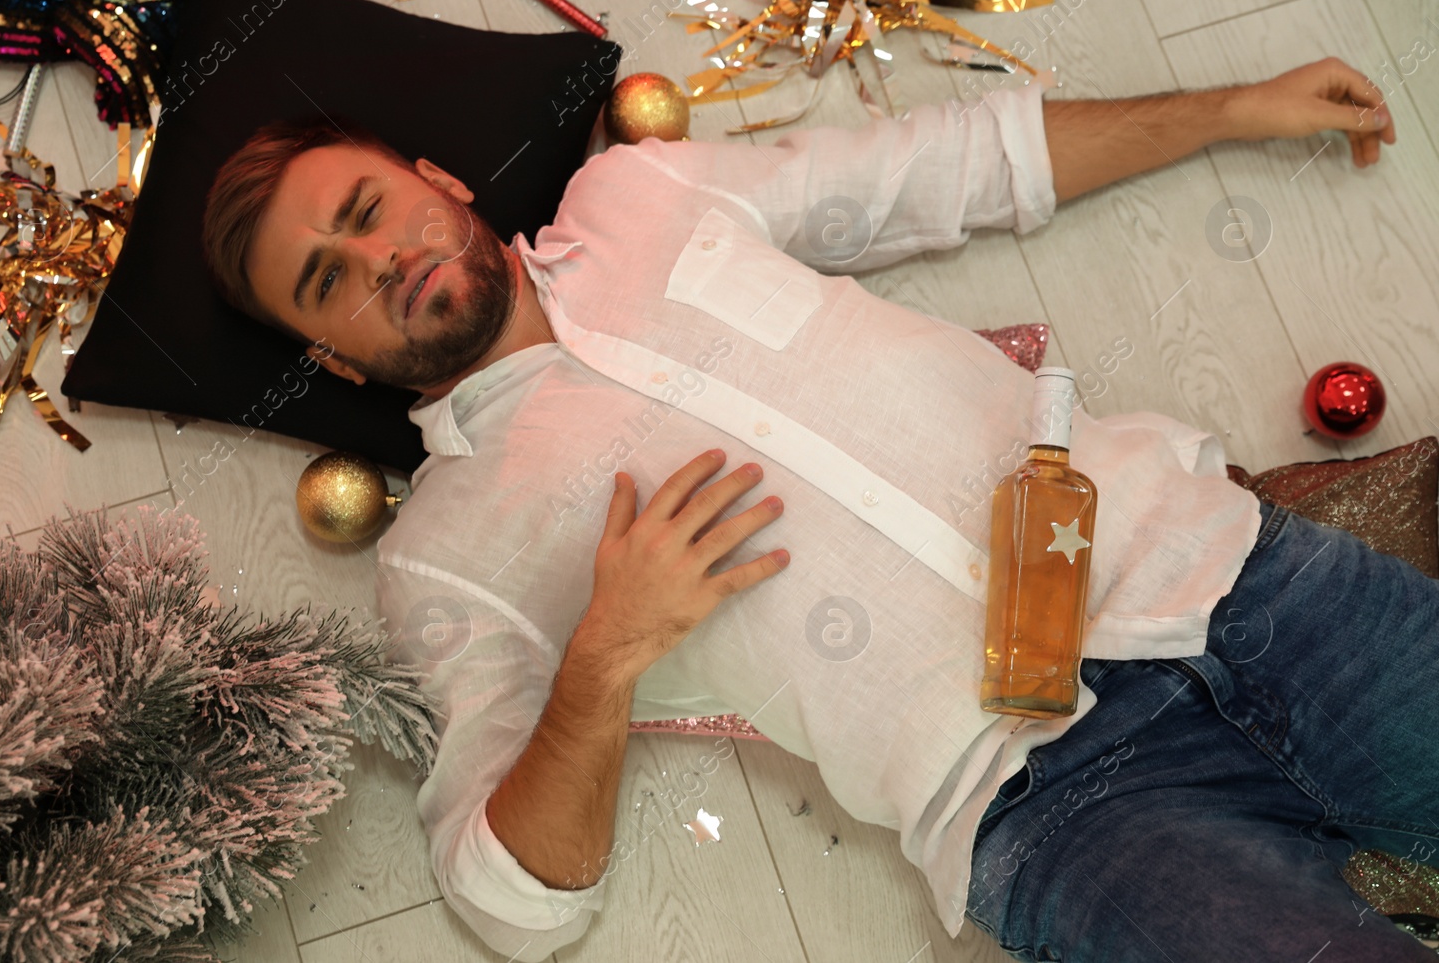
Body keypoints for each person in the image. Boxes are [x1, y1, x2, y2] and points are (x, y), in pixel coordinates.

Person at [200, 58, 1436, 962]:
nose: (383, 261)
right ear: (339, 360)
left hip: (1230, 580)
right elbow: (510, 899)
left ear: (434, 178)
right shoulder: (445, 555)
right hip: (1055, 807)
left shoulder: (636, 197)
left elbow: (943, 169)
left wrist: (1231, 106)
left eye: (367, 212)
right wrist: (605, 654)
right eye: (330, 283)